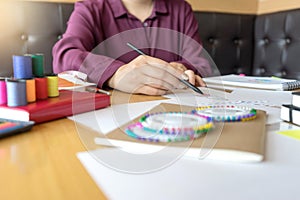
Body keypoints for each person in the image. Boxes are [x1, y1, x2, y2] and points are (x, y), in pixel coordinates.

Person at [52, 0, 212, 95]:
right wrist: (116, 74)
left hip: (177, 116)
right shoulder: (91, 8)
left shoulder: (181, 9)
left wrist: (183, 68)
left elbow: (201, 64)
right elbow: (65, 55)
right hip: (111, 117)